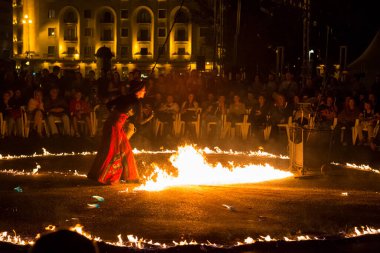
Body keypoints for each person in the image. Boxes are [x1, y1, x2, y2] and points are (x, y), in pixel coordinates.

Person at [87, 80, 146, 185]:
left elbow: (109, 105)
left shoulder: (124, 97)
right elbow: (140, 121)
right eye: (143, 90)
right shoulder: (136, 102)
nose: (145, 92)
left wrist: (121, 115)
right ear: (138, 91)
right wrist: (149, 116)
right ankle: (106, 177)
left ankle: (130, 176)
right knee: (113, 151)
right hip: (115, 127)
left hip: (111, 124)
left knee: (125, 148)